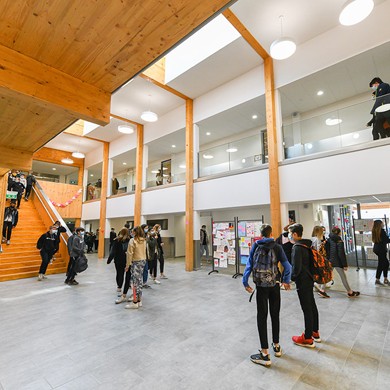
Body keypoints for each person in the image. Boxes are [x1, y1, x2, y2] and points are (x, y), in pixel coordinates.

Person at [243, 224, 292, 367]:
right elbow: (287, 266)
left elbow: (249, 264)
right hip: (275, 285)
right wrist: (286, 280)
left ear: (261, 233)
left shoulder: (256, 245)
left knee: (262, 316)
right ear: (271, 233)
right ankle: (276, 346)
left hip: (261, 287)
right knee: (275, 315)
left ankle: (264, 353)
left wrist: (245, 281)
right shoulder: (277, 246)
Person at [288, 223, 320, 348]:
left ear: (295, 234)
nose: (289, 236)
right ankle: (315, 331)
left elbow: (296, 268)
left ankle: (307, 338)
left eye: (290, 233)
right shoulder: (307, 245)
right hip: (309, 279)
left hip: (303, 281)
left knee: (306, 308)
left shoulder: (297, 247)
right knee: (312, 306)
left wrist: (291, 279)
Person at [327, 227, 360, 298]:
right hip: (337, 262)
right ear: (339, 233)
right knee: (343, 277)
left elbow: (328, 251)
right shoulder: (339, 241)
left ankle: (321, 290)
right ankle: (350, 292)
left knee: (327, 275)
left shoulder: (329, 239)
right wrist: (344, 265)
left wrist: (329, 259)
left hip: (331, 260)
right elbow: (341, 254)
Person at [107, 228, 131, 303]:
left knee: (119, 273)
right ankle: (126, 288)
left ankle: (119, 286)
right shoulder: (130, 240)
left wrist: (109, 260)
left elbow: (113, 251)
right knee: (128, 275)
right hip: (128, 260)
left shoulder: (116, 240)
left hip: (118, 260)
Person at [125, 226, 147, 309]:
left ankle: (135, 302)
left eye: (133, 232)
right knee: (140, 280)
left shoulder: (132, 240)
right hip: (143, 261)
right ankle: (139, 300)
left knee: (134, 282)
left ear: (135, 232)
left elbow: (129, 253)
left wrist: (127, 265)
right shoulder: (144, 240)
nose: (132, 233)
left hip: (136, 262)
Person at [311, 226, 330, 298]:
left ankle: (317, 286)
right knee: (325, 274)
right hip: (319, 259)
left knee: (318, 274)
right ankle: (322, 290)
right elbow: (319, 250)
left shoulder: (311, 239)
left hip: (314, 259)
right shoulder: (317, 240)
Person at [372, 220, 390, 286]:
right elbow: (386, 240)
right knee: (386, 263)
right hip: (381, 250)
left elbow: (382, 240)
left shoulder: (375, 231)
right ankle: (384, 279)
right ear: (380, 224)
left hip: (377, 249)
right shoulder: (382, 231)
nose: (383, 224)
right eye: (382, 223)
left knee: (381, 264)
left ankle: (379, 279)